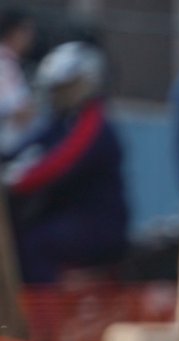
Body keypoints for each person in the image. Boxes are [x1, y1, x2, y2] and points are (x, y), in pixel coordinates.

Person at [2, 41, 128, 285]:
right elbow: (26, 147)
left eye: (67, 87)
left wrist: (17, 180)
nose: (59, 95)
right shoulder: (62, 121)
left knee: (35, 243)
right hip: (66, 216)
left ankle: (42, 320)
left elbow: (58, 164)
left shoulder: (94, 123)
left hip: (98, 225)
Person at [0, 9, 35, 155]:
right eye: (26, 31)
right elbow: (12, 107)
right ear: (14, 32)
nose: (31, 37)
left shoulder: (11, 62)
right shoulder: (3, 61)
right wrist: (17, 110)